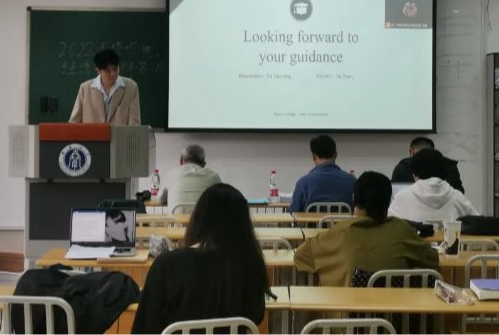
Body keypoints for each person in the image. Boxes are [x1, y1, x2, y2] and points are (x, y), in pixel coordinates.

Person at [131, 183, 269, 334]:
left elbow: (144, 327)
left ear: (199, 219)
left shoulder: (167, 264)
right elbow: (256, 316)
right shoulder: (250, 264)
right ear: (244, 225)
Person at [294, 171, 438, 287]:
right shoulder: (403, 231)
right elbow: (432, 259)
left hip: (347, 313)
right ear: (388, 202)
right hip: (396, 314)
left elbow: (300, 256)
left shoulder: (338, 233)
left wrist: (329, 269)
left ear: (354, 198)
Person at [388, 149, 479, 223]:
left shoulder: (401, 199)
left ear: (414, 176)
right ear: (443, 173)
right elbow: (479, 224)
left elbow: (388, 227)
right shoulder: (458, 198)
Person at [69, 48, 140, 125]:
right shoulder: (85, 89)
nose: (113, 74)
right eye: (108, 70)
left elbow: (134, 124)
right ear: (98, 70)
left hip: (119, 133)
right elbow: (74, 122)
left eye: (115, 69)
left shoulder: (131, 87)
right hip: (92, 133)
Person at [289, 135, 356, 213]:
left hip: (312, 222)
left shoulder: (303, 183)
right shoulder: (352, 181)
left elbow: (293, 213)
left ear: (314, 157)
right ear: (336, 154)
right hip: (343, 221)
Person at [159, 144, 221, 212]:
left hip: (177, 218)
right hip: (204, 218)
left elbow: (160, 199)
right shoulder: (214, 176)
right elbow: (219, 200)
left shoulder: (171, 174)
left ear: (181, 161)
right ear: (204, 164)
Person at [391, 137, 465, 193]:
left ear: (412, 151)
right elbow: (460, 192)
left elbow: (394, 191)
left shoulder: (404, 167)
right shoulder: (449, 166)